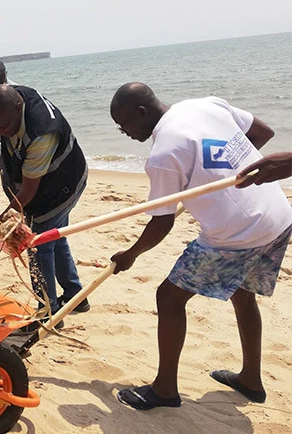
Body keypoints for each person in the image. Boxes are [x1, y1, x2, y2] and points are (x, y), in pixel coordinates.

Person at [109, 82, 292, 410]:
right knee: (242, 293)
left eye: (124, 124)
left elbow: (161, 223)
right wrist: (227, 172)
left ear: (142, 112)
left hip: (239, 235)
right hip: (278, 216)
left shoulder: (163, 154)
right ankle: (251, 380)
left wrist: (129, 255)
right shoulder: (205, 104)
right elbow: (263, 133)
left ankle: (164, 389)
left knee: (168, 297)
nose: (123, 131)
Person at [0, 84, 90, 322]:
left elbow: (28, 194)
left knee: (38, 246)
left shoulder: (42, 133)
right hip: (42, 182)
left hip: (62, 185)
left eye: (5, 127)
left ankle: (48, 315)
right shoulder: (5, 95)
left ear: (19, 107)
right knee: (55, 238)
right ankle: (75, 296)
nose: (1, 132)